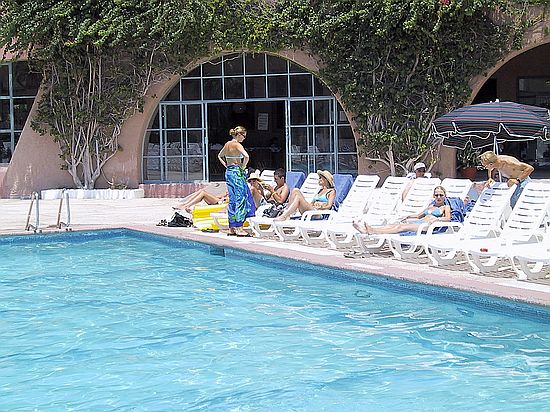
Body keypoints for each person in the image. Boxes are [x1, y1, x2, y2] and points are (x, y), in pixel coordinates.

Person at [353, 186, 451, 235]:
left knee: (401, 227)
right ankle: (367, 230)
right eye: (436, 195)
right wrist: (407, 216)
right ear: (434, 196)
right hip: (419, 222)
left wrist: (438, 219)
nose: (438, 197)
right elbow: (418, 216)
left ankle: (373, 231)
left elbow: (448, 219)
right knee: (392, 225)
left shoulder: (445, 207)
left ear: (444, 196)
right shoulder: (430, 206)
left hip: (427, 226)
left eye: (441, 195)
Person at [218, 126, 256, 236]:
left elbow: (220, 156)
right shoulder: (237, 145)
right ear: (239, 135)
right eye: (243, 136)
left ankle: (232, 227)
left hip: (229, 172)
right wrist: (243, 167)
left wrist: (226, 165)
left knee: (232, 200)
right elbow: (246, 156)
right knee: (241, 198)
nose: (244, 138)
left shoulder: (227, 144)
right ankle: (239, 227)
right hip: (237, 173)